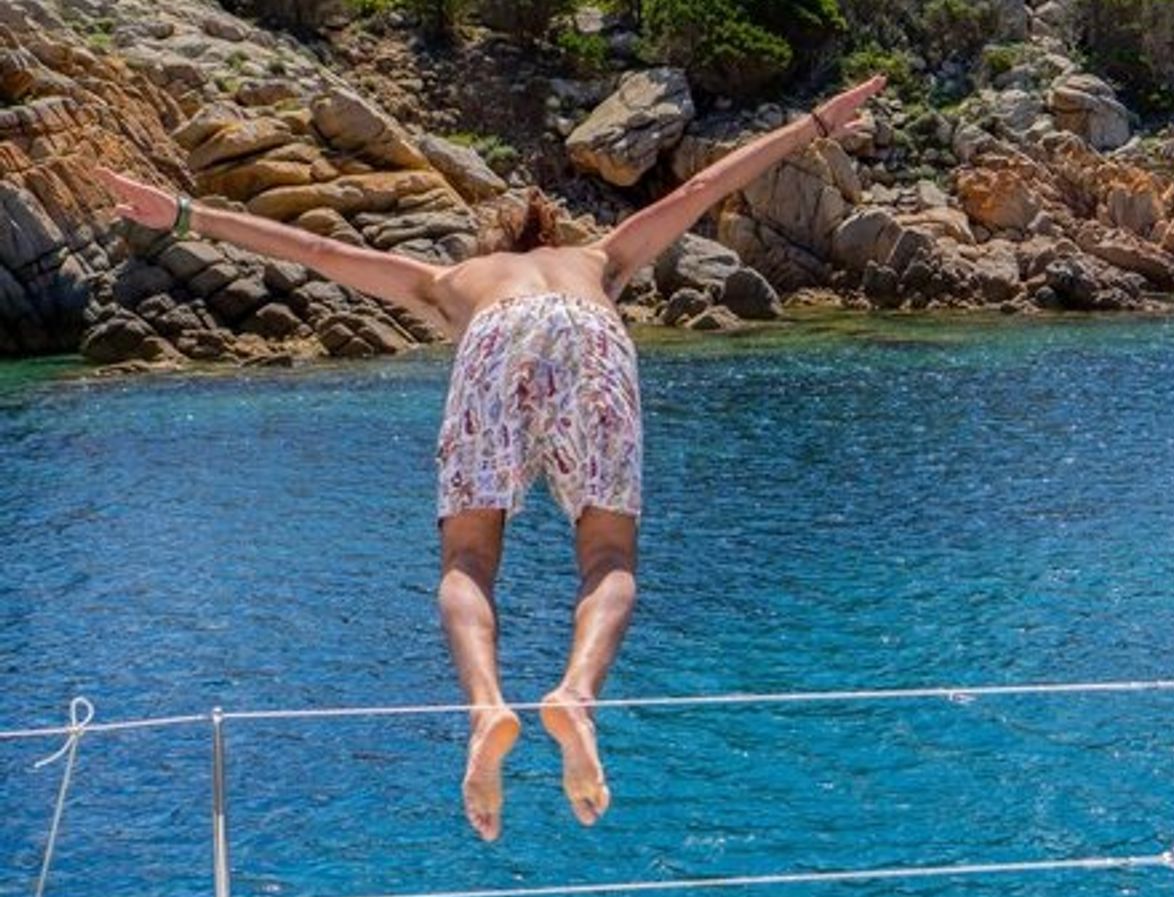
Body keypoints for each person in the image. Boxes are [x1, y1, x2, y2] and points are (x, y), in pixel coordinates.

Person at [98, 76, 886, 843]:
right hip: (591, 333)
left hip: (496, 337)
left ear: (493, 246)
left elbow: (314, 247)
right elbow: (703, 188)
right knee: (607, 553)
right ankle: (575, 697)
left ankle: (485, 708)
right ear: (550, 240)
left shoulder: (449, 281)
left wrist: (186, 213)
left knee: (468, 560)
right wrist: (815, 124)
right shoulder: (599, 259)